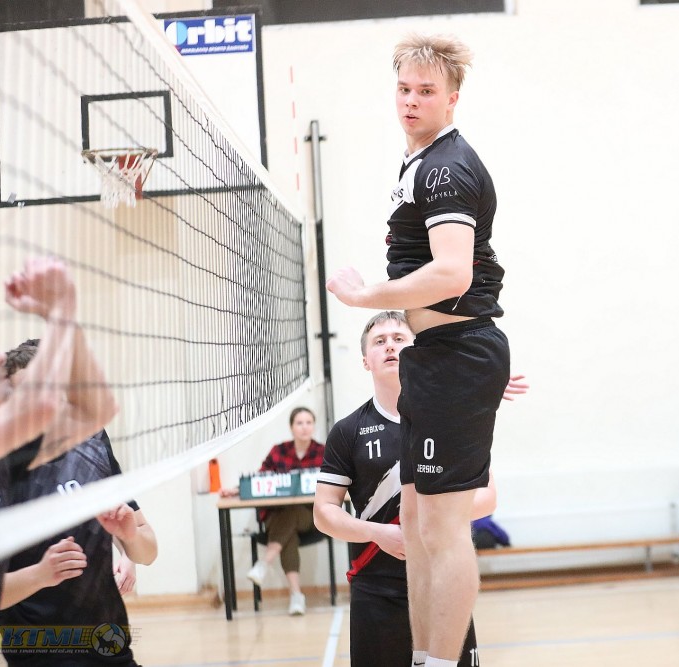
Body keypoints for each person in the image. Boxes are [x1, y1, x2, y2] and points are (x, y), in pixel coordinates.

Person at [326, 34, 510, 667]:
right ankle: (424, 655)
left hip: (458, 352)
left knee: (445, 529)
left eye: (426, 91)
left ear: (452, 98)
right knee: (418, 522)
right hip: (436, 356)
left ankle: (440, 661)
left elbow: (453, 273)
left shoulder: (445, 167)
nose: (411, 100)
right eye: (404, 88)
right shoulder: (418, 163)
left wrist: (366, 297)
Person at [314, 311, 524, 667]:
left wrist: (424, 521)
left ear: (418, 351)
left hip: (443, 587)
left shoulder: (451, 421)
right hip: (376, 591)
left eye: (399, 338)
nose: (390, 346)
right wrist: (378, 533)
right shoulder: (348, 431)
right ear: (365, 360)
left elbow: (488, 497)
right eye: (379, 341)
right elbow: (324, 513)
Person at [0, 258, 118, 667]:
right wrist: (61, 307)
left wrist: (64, 316)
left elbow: (97, 409)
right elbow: (43, 405)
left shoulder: (0, 458)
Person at [0, 340, 156, 666]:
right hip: (38, 652)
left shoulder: (92, 444)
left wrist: (129, 539)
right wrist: (40, 575)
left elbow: (148, 552)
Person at [221, 407, 324, 616]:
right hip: (277, 516)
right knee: (288, 532)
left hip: (309, 516)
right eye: (299, 423)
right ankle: (297, 596)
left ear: (314, 426)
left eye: (308, 422)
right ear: (291, 427)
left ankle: (263, 563)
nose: (304, 427)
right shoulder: (279, 451)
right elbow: (261, 479)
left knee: (293, 512)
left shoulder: (323, 452)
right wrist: (238, 490)